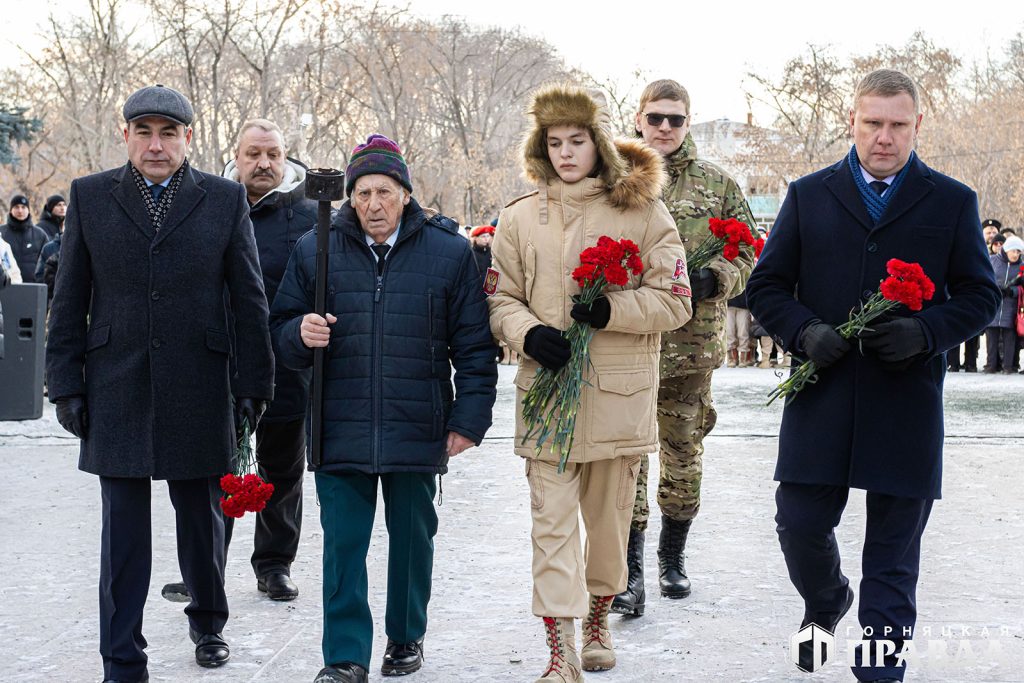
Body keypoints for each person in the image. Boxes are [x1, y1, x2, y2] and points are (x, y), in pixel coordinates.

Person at [746, 69, 1000, 682]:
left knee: (892, 557)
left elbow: (979, 295)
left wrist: (927, 332)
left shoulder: (952, 200)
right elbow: (767, 286)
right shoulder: (808, 194)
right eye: (873, 123)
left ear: (917, 125)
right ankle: (826, 599)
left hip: (905, 403)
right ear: (852, 122)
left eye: (898, 125)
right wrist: (804, 332)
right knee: (800, 523)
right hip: (822, 394)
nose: (884, 137)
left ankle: (878, 672)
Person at [45, 84, 275, 682]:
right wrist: (64, 384)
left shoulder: (224, 200)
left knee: (201, 519)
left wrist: (254, 382)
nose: (155, 145)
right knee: (122, 532)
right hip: (115, 384)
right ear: (125, 136)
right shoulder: (91, 197)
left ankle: (208, 620)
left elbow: (248, 298)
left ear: (188, 139)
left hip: (199, 383)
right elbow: (69, 300)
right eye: (143, 132)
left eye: (168, 133)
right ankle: (122, 657)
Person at [270, 133, 497, 683]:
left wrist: (470, 419)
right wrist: (300, 333)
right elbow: (278, 330)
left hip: (418, 422)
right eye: (363, 193)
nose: (373, 204)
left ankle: (405, 636)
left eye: (385, 192)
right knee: (343, 546)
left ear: (405, 193)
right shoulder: (315, 250)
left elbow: (473, 345)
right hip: (338, 423)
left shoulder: (449, 252)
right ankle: (345, 655)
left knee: (414, 538)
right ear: (350, 196)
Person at [488, 84, 690, 682]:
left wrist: (613, 311)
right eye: (555, 143)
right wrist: (527, 333)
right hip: (547, 397)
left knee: (606, 531)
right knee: (550, 529)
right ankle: (561, 652)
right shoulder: (520, 216)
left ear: (598, 144)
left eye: (577, 141)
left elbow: (675, 299)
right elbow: (500, 297)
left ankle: (599, 617)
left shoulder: (644, 212)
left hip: (617, 400)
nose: (566, 153)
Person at [612, 79, 756, 617]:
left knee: (682, 455)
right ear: (639, 119)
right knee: (627, 458)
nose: (665, 128)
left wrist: (716, 276)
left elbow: (749, 251)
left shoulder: (718, 185)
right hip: (623, 344)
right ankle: (630, 573)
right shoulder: (611, 178)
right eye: (656, 118)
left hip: (689, 350)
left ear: (688, 122)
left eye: (675, 119)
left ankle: (673, 557)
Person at [160, 118, 318, 605]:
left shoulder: (312, 215)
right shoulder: (207, 204)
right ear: (237, 155)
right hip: (218, 365)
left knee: (282, 470)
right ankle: (206, 568)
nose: (263, 163)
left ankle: (274, 565)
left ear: (286, 157)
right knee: (214, 469)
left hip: (287, 362)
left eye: (272, 154)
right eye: (253, 154)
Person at [984, 235, 1023, 374]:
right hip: (993, 306)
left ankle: (1008, 366)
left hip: (1011, 307)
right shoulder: (993, 260)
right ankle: (991, 365)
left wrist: (1012, 291)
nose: (1016, 254)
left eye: (1019, 252)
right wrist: (995, 288)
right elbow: (984, 277)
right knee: (992, 338)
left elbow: (1022, 289)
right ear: (1006, 250)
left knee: (1009, 338)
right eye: (1013, 251)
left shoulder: (1021, 266)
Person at [1, 194, 48, 284]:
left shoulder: (40, 235)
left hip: (33, 288)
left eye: (23, 207)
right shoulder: (2, 233)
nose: (20, 210)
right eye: (16, 207)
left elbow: (47, 263)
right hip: (6, 288)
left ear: (28, 210)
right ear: (11, 210)